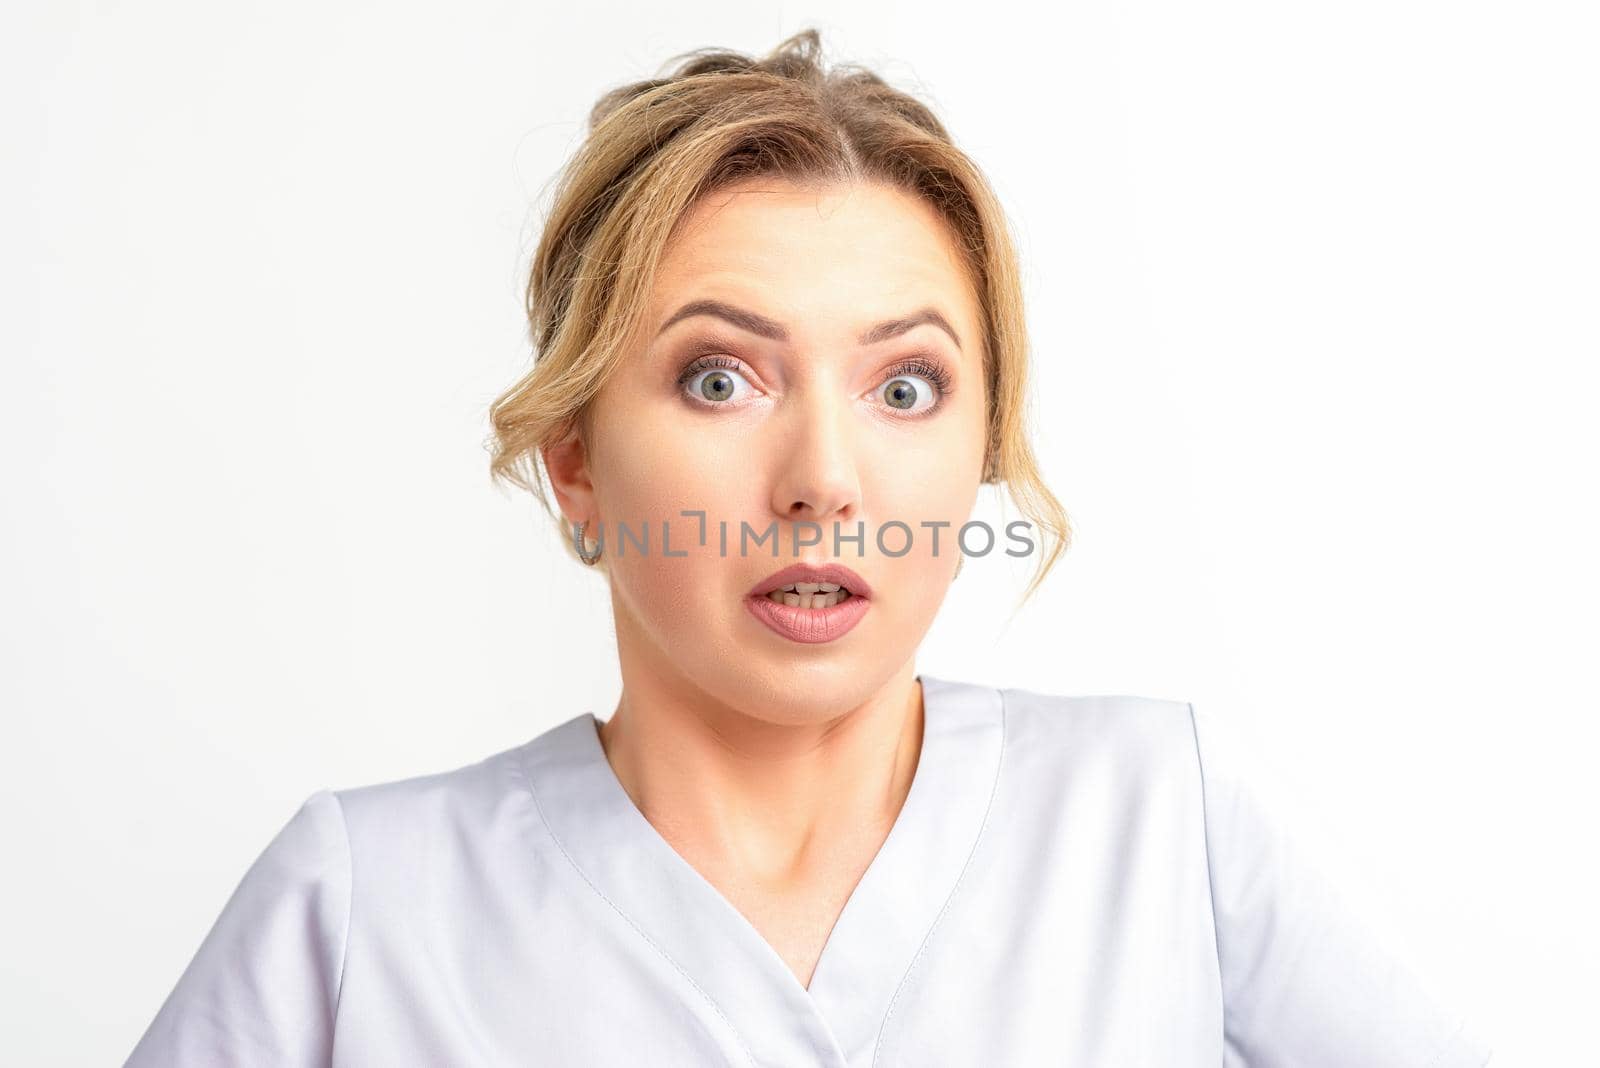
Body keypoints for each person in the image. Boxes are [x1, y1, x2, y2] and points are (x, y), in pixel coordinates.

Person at [123, 28, 1492, 1066]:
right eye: (721, 379)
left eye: (905, 388)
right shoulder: (365, 912)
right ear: (577, 462)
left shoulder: (1159, 827)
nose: (827, 482)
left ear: (980, 448)